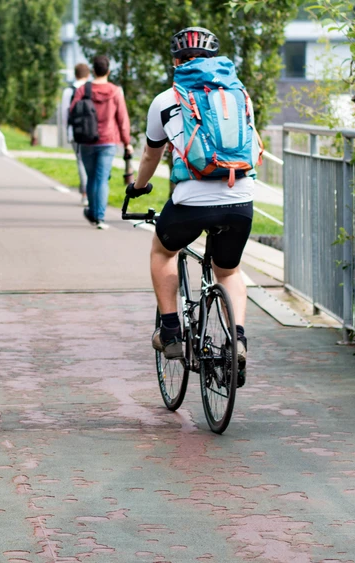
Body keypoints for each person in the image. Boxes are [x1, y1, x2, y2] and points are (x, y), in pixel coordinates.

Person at [126, 27, 263, 383]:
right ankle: (238, 340)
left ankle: (171, 332)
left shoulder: (165, 100)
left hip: (190, 200)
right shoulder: (239, 95)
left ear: (176, 62)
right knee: (228, 271)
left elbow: (150, 154)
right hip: (239, 199)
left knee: (163, 250)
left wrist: (138, 188)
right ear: (214, 60)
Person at [69, 55, 131, 230]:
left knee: (91, 178)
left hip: (87, 140)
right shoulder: (116, 91)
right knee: (102, 179)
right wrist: (127, 142)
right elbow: (122, 119)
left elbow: (73, 111)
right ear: (108, 71)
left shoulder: (83, 90)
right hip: (109, 140)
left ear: (93, 70)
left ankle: (93, 212)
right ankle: (100, 217)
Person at [60, 63, 90, 206]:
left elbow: (65, 113)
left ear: (75, 74)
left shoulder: (69, 91)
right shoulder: (92, 88)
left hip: (76, 132)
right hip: (93, 132)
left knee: (81, 161)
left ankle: (85, 193)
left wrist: (68, 130)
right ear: (88, 74)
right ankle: (93, 192)